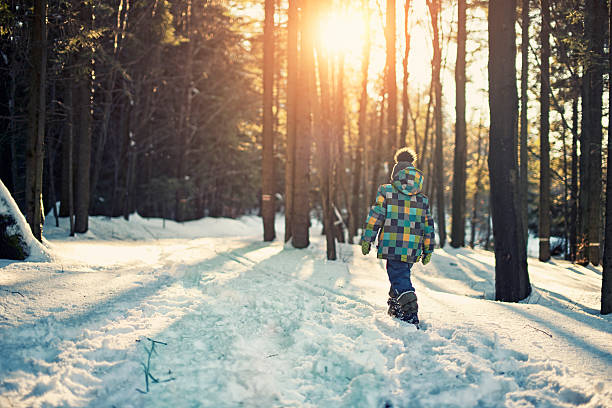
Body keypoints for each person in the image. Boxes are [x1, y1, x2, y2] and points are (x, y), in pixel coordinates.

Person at [360, 147, 435, 326]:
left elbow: (376, 216)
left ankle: (410, 313)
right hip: (412, 248)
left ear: (395, 173)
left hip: (392, 245)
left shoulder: (386, 191)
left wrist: (367, 238)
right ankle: (396, 307)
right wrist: (428, 248)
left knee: (399, 276)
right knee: (401, 274)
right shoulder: (422, 199)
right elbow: (428, 225)